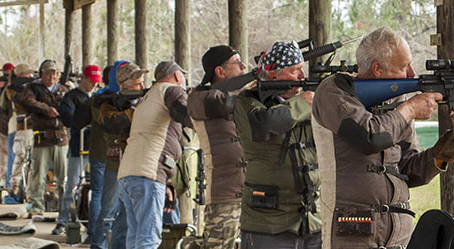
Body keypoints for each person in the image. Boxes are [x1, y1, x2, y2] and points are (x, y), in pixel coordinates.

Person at [311, 27, 454, 248]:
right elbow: (369, 137)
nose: (411, 73)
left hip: (398, 237)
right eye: (403, 66)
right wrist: (409, 109)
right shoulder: (333, 91)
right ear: (377, 68)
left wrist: (450, 146)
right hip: (351, 235)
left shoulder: (396, 104)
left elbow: (410, 172)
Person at [233, 41, 321, 249]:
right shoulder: (247, 101)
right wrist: (303, 103)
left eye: (302, 69)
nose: (302, 76)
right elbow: (264, 125)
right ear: (273, 75)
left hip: (311, 221)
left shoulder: (308, 101)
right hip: (268, 224)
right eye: (294, 71)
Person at [117, 61, 191, 248]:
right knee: (149, 239)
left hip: (128, 172)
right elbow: (187, 115)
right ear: (176, 76)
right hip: (148, 173)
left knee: (135, 236)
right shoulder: (172, 90)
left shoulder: (147, 97)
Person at [187, 45, 247, 249]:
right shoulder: (200, 98)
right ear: (220, 72)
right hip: (225, 192)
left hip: (251, 189)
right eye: (237, 63)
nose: (243, 66)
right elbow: (226, 104)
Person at [93, 62, 147, 249]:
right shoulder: (108, 103)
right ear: (124, 85)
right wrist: (136, 111)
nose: (142, 87)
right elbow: (116, 124)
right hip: (119, 164)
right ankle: (98, 245)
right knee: (113, 211)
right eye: (138, 83)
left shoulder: (144, 100)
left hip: (143, 165)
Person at [13, 60, 69, 217]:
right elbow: (27, 102)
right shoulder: (32, 89)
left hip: (61, 138)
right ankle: (37, 207)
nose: (51, 76)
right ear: (41, 74)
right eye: (48, 72)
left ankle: (65, 208)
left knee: (62, 176)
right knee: (38, 175)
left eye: (54, 73)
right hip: (41, 138)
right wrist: (46, 109)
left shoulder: (64, 90)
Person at [51, 65, 102, 235]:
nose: (94, 85)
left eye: (96, 82)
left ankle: (94, 224)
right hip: (78, 147)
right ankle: (63, 221)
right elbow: (68, 118)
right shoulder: (71, 97)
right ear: (84, 78)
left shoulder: (99, 96)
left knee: (98, 186)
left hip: (97, 147)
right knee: (72, 184)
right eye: (92, 81)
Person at [74, 63, 120, 248]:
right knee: (109, 201)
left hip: (98, 152)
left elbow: (78, 121)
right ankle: (99, 240)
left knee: (98, 195)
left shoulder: (96, 99)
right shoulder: (117, 99)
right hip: (113, 155)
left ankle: (94, 235)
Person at [4, 64, 36, 200]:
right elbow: (8, 106)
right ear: (20, 76)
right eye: (26, 75)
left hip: (31, 127)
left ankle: (28, 192)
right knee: (19, 158)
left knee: (31, 161)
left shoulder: (31, 87)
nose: (30, 76)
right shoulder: (12, 90)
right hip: (20, 128)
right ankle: (14, 189)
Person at [0, 63, 15, 186]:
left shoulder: (11, 88)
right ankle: (4, 177)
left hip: (13, 125)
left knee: (11, 153)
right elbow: (0, 105)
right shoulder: (2, 88)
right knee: (4, 153)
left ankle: (8, 178)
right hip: (4, 124)